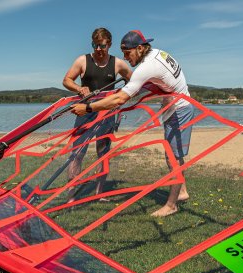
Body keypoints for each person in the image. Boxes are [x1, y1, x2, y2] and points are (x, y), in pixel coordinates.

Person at [70, 30, 194, 216]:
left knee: (173, 158)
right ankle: (182, 192)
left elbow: (119, 99)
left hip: (180, 109)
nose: (125, 57)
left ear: (140, 48)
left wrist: (87, 108)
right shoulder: (157, 53)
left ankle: (171, 205)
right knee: (174, 155)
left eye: (127, 52)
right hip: (176, 106)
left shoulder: (146, 67)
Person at [63, 27, 132, 201]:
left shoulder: (117, 63)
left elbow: (133, 80)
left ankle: (99, 194)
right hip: (84, 112)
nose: (98, 49)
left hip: (107, 115)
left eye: (102, 46)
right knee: (77, 153)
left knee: (103, 153)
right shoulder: (83, 60)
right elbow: (66, 80)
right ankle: (71, 195)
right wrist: (79, 88)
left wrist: (123, 92)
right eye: (95, 45)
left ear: (109, 44)